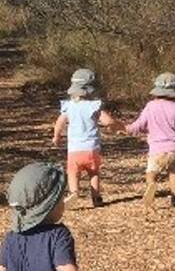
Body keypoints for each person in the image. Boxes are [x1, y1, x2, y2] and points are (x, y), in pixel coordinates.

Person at [125, 71, 175, 209]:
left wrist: (126, 128)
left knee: (151, 172)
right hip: (174, 149)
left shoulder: (150, 106)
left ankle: (151, 186)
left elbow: (139, 125)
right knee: (174, 173)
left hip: (157, 151)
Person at [50, 67, 122, 207]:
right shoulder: (94, 106)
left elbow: (59, 123)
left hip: (74, 150)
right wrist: (116, 127)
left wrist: (56, 137)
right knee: (94, 173)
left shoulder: (68, 106)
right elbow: (107, 121)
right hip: (91, 149)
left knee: (72, 173)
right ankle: (96, 197)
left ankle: (74, 193)